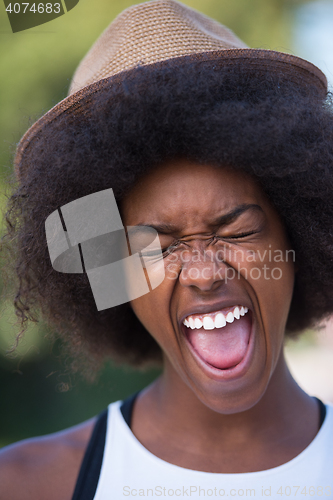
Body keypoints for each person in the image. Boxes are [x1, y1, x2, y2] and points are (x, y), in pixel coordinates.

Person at [0, 0, 333, 498]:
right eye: (155, 248)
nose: (202, 273)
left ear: (300, 236)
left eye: (237, 230)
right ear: (113, 273)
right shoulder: (28, 484)